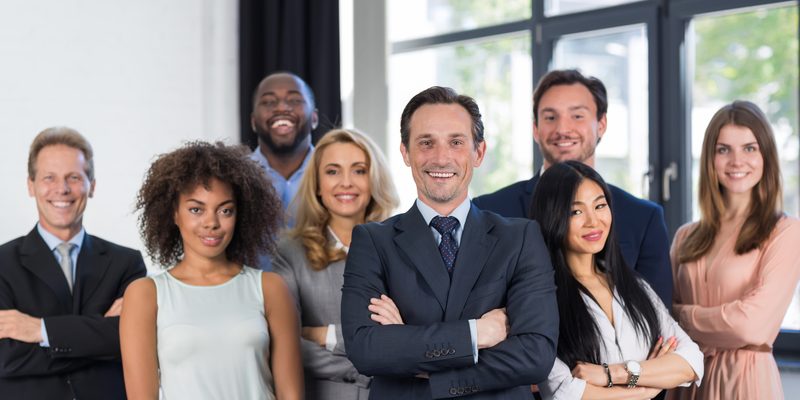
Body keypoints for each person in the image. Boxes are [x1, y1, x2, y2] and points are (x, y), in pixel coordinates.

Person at [341, 86, 559, 399]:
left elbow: (535, 356)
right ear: (406, 152)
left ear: (479, 152)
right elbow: (366, 349)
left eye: (456, 142)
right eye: (426, 143)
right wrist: (477, 333)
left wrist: (413, 351)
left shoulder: (520, 238)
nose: (441, 157)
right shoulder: (373, 241)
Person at [473, 69, 673, 306]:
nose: (563, 129)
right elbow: (477, 307)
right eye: (550, 117)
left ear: (601, 124)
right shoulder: (488, 212)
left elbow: (657, 317)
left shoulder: (643, 217)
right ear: (536, 129)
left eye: (577, 116)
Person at [120, 142, 303, 400]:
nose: (212, 223)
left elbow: (291, 395)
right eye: (196, 209)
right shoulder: (145, 295)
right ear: (174, 213)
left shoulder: (270, 288)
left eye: (225, 210)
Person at [530, 161, 703, 400]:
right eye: (576, 211)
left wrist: (612, 374)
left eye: (600, 206)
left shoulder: (634, 286)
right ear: (552, 217)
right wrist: (647, 388)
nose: (593, 221)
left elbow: (691, 361)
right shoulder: (540, 299)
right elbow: (565, 391)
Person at [0, 127, 147, 399]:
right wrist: (99, 337)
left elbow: (134, 341)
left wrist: (40, 330)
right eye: (49, 177)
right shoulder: (2, 264)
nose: (62, 189)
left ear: (92, 185)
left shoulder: (126, 263)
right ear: (31, 185)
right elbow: (6, 359)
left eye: (74, 177)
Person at [668, 101, 800, 400]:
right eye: (724, 149)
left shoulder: (786, 231)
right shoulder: (686, 236)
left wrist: (683, 317)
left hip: (745, 383)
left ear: (766, 155)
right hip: (685, 380)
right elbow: (663, 321)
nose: (736, 161)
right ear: (710, 158)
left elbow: (750, 326)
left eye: (750, 148)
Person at [273, 128, 399, 399]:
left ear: (374, 179)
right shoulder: (288, 252)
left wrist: (327, 335)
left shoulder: (404, 247)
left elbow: (416, 337)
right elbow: (288, 346)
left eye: (359, 170)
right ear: (317, 184)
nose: (346, 183)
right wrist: (378, 360)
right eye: (332, 171)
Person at [250, 71, 319, 216]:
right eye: (269, 102)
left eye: (294, 100)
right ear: (253, 121)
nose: (281, 108)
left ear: (314, 118)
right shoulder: (234, 178)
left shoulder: (335, 177)